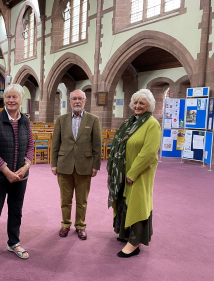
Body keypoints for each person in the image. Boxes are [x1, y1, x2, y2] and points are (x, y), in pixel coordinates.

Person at [107, 89, 162, 258]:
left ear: (149, 105)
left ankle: (134, 242)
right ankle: (125, 233)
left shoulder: (152, 123)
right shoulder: (129, 122)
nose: (137, 106)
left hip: (140, 173)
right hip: (124, 170)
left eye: (142, 103)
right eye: (135, 103)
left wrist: (133, 172)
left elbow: (149, 152)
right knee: (124, 200)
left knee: (137, 203)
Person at [0, 84, 34, 262]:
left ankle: (13, 242)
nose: (11, 100)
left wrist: (26, 166)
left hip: (20, 175)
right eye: (8, 97)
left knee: (16, 210)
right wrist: (6, 171)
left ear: (21, 100)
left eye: (15, 97)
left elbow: (30, 146)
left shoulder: (26, 121)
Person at [51, 89, 102, 240]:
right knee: (65, 199)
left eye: (80, 98)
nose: (77, 101)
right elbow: (55, 144)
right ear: (70, 101)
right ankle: (65, 224)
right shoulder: (62, 119)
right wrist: (54, 164)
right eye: (74, 99)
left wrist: (96, 166)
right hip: (64, 165)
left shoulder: (93, 120)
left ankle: (80, 226)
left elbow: (97, 146)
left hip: (84, 166)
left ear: (85, 101)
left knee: (82, 200)